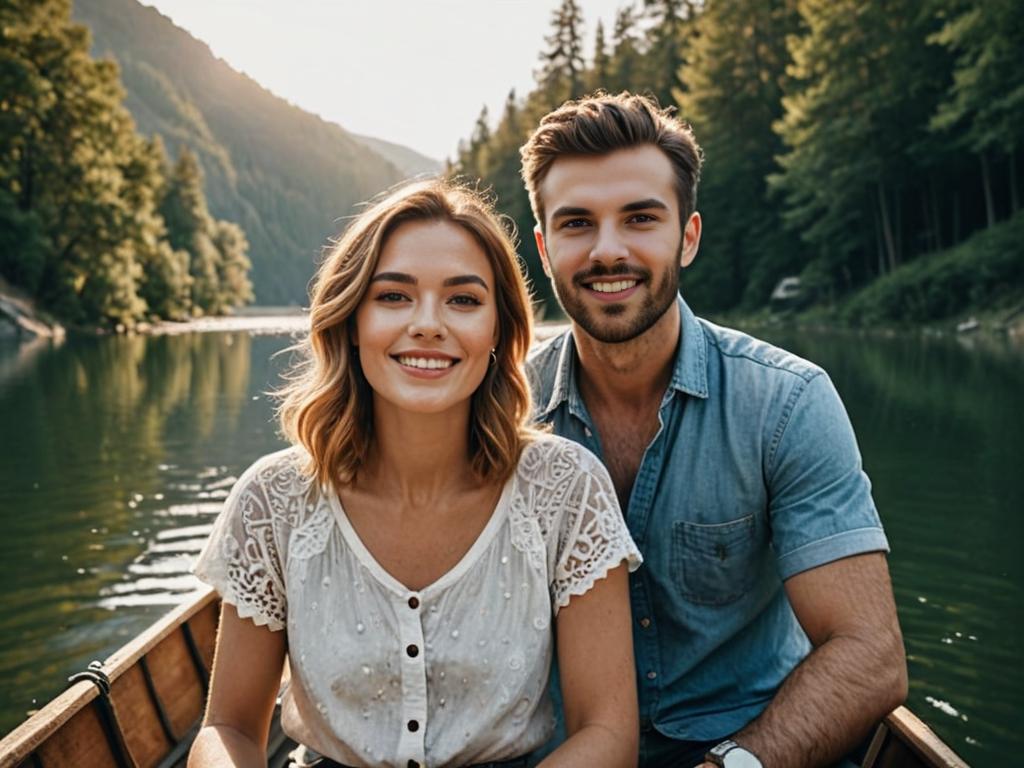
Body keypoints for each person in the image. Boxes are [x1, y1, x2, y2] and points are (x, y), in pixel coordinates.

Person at [188, 179, 642, 768]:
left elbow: (607, 734)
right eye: (394, 297)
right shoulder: (273, 500)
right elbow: (227, 730)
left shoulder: (565, 490)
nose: (428, 324)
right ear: (351, 321)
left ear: (500, 334)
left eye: (463, 300)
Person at [520, 92, 908, 768]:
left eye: (640, 219)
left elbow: (870, 655)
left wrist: (733, 765)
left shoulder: (786, 404)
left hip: (753, 750)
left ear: (688, 236)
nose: (608, 250)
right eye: (577, 223)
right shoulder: (499, 415)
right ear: (545, 246)